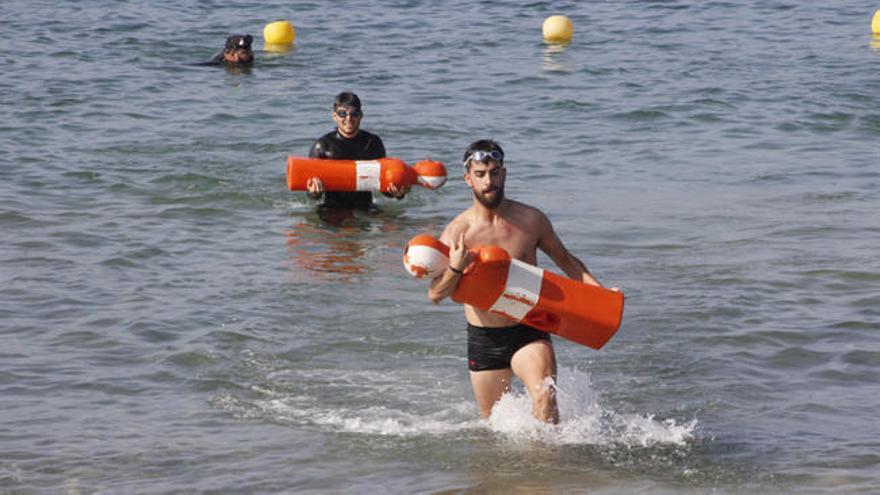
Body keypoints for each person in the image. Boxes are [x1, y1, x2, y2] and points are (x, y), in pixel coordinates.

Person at [427, 139, 612, 424]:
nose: (489, 181)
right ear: (468, 179)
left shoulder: (531, 220)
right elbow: (436, 295)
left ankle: (549, 466)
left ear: (504, 173)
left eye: (494, 172)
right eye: (480, 174)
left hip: (528, 327)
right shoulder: (456, 233)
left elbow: (568, 261)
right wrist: (455, 267)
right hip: (484, 339)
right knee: (495, 428)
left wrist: (601, 297)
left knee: (545, 396)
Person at [307, 92, 408, 211]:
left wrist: (398, 194)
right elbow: (311, 195)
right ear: (334, 116)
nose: (348, 118)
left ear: (360, 115)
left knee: (397, 226)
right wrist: (314, 193)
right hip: (332, 207)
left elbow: (382, 186)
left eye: (353, 113)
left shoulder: (372, 143)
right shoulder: (322, 146)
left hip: (365, 206)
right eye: (342, 113)